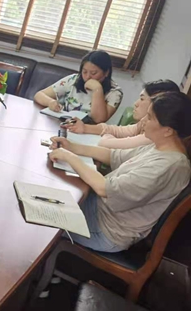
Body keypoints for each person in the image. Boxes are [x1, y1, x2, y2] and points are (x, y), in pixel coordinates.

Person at [48, 91, 191, 252]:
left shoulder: (169, 166)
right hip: (99, 209)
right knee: (47, 196)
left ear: (168, 130)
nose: (143, 120)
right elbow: (113, 155)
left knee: (43, 219)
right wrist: (72, 147)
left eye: (150, 117)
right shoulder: (159, 147)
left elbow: (104, 188)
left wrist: (70, 157)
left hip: (106, 229)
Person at [63, 79, 180, 149]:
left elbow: (106, 143)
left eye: (142, 99)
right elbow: (118, 130)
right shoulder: (144, 122)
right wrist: (84, 127)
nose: (136, 104)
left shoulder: (153, 135)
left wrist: (108, 136)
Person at [34, 50, 123, 123]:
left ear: (106, 72)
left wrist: (97, 90)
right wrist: (50, 102)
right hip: (63, 124)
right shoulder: (73, 79)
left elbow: (98, 120)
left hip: (87, 132)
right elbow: (39, 95)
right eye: (84, 72)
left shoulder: (115, 92)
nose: (87, 77)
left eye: (93, 73)